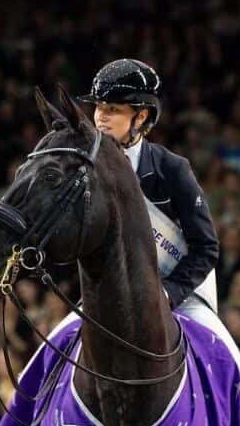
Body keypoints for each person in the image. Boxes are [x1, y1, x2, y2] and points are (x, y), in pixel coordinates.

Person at [79, 58, 220, 315]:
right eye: (98, 107)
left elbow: (206, 248)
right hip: (108, 295)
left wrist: (168, 292)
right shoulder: (84, 168)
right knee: (53, 347)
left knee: (222, 353)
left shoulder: (172, 170)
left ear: (141, 116)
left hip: (180, 293)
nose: (101, 118)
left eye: (112, 109)